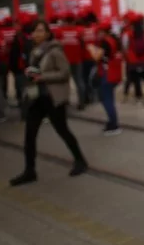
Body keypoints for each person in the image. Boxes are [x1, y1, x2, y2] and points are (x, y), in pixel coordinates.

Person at [10, 20, 87, 185]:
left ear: (47, 33)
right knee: (29, 135)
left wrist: (42, 77)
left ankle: (80, 160)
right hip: (37, 98)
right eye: (34, 31)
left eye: (40, 31)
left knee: (63, 131)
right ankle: (29, 171)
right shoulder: (34, 51)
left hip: (53, 98)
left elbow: (65, 73)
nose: (36, 34)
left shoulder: (54, 50)